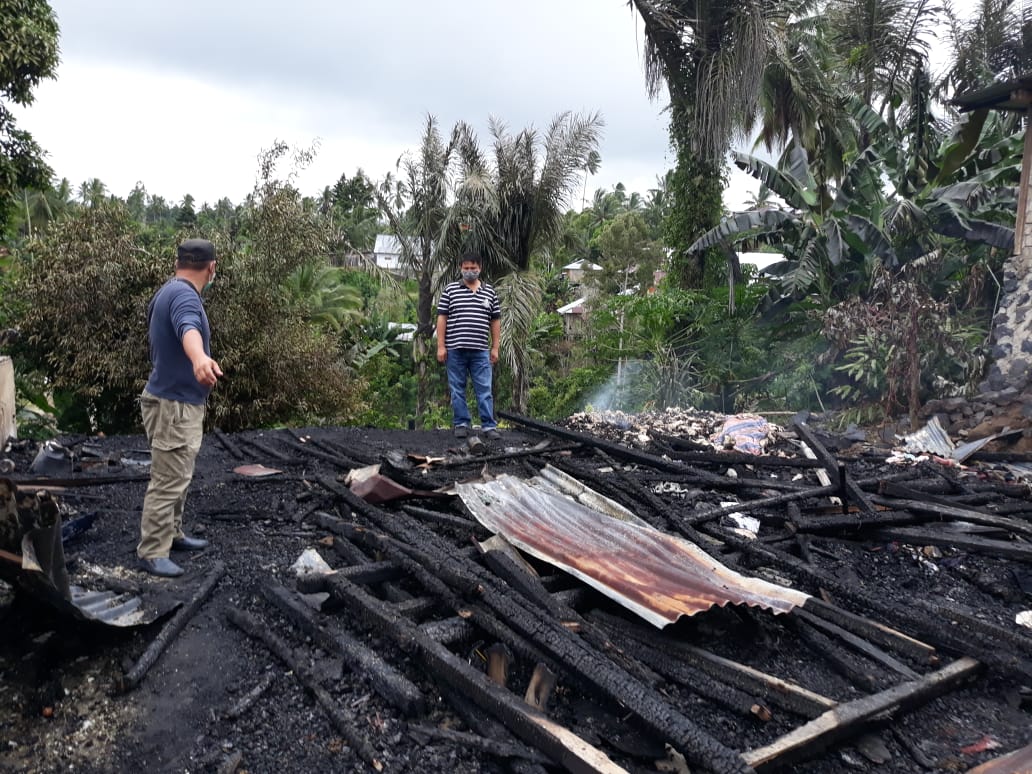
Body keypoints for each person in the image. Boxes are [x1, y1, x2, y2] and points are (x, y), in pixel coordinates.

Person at [137, 238, 223, 578]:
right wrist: (200, 357)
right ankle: (153, 550)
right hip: (173, 406)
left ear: (179, 262)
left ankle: (172, 534)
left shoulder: (168, 290)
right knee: (169, 479)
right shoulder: (185, 296)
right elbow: (187, 327)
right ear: (211, 268)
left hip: (173, 401)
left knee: (178, 475)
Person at [436, 253, 502, 441]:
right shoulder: (450, 290)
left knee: (484, 389)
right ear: (460, 268)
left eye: (473, 268)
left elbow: (495, 320)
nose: (470, 271)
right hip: (455, 349)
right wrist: (441, 346)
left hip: (481, 350)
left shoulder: (489, 292)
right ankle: (461, 423)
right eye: (466, 268)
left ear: (480, 268)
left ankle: (488, 426)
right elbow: (442, 318)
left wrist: (495, 347)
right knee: (457, 388)